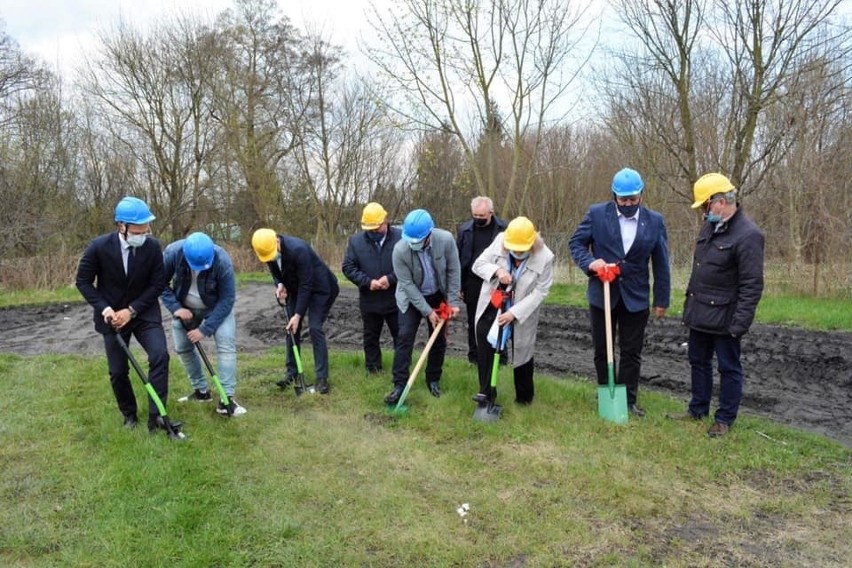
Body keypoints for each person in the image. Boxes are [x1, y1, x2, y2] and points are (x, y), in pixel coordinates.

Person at [569, 168, 671, 417]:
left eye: (632, 200)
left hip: (635, 296)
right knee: (603, 349)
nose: (627, 204)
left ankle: (627, 400)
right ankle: (606, 391)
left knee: (631, 351)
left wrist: (661, 299)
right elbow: (576, 243)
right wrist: (590, 263)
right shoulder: (597, 215)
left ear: (641, 196)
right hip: (602, 294)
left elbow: (661, 262)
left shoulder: (655, 221)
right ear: (614, 195)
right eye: (623, 200)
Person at [670, 173, 764, 437]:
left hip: (726, 318)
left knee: (728, 367)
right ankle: (697, 409)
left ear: (720, 201)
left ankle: (724, 419)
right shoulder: (709, 227)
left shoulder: (749, 236)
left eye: (705, 205)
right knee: (697, 361)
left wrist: (740, 323)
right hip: (700, 311)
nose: (703, 211)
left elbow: (752, 284)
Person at [75, 196, 176, 433]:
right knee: (118, 372)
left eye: (146, 227)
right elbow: (83, 282)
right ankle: (129, 415)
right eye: (140, 228)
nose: (145, 232)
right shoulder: (98, 247)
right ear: (122, 226)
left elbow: (158, 283)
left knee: (160, 356)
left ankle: (157, 416)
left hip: (143, 313)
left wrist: (132, 310)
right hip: (112, 319)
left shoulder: (152, 247)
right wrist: (106, 309)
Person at [472, 216, 554, 407]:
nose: (516, 252)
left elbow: (541, 291)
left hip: (523, 307)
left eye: (521, 249)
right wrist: (498, 272)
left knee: (522, 348)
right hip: (495, 300)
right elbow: (478, 264)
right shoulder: (500, 241)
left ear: (532, 243)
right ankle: (486, 393)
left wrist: (513, 313)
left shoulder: (546, 257)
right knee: (484, 339)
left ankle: (524, 398)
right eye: (513, 248)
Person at [161, 232, 246, 416]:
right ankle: (201, 392)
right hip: (184, 309)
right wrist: (176, 308)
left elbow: (227, 299)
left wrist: (205, 329)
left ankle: (226, 399)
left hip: (215, 308)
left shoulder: (222, 260)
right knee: (183, 348)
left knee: (226, 347)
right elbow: (160, 283)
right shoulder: (173, 253)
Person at [384, 209, 461, 404]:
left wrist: (452, 302)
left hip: (438, 295)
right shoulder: (400, 250)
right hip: (411, 297)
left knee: (438, 340)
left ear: (429, 234)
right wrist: (427, 312)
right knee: (404, 336)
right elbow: (407, 285)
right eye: (411, 241)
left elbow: (453, 270)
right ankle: (399, 384)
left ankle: (433, 379)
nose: (414, 244)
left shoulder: (445, 240)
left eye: (418, 241)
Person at [251, 228, 339, 394]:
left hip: (321, 289)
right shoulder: (267, 250)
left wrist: (298, 315)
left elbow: (307, 284)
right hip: (297, 288)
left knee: (315, 328)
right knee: (291, 329)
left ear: (276, 241)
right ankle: (291, 373)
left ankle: (322, 379)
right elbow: (276, 273)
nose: (269, 257)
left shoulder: (298, 249)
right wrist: (280, 284)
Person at [342, 202, 402, 374]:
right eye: (371, 229)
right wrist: (368, 282)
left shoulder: (401, 238)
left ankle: (400, 371)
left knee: (401, 337)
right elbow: (348, 267)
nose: (374, 232)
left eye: (377, 227)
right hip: (369, 299)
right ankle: (373, 370)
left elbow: (409, 266)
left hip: (395, 298)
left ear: (385, 220)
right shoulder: (356, 242)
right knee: (370, 337)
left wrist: (391, 279)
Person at [456, 196, 508, 364]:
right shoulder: (464, 230)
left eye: (482, 216)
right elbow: (459, 259)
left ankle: (500, 357)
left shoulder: (504, 229)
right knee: (474, 320)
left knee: (498, 317)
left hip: (497, 284)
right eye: (475, 216)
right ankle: (475, 357)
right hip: (472, 283)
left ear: (491, 213)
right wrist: (460, 285)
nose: (478, 219)